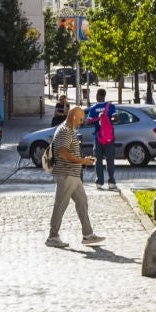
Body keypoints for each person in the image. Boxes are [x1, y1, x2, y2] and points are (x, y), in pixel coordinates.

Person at [46, 104, 103, 248]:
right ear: (73, 117)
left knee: (82, 201)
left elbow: (69, 152)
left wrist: (83, 159)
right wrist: (83, 161)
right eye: (80, 119)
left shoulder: (69, 130)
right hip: (66, 174)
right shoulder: (65, 131)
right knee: (60, 205)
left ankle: (88, 235)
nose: (81, 122)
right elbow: (63, 153)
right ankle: (52, 237)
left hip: (73, 175)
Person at [85, 87, 117, 187]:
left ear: (97, 96)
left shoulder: (94, 108)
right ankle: (111, 181)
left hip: (98, 137)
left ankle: (99, 182)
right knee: (110, 159)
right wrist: (108, 119)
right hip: (109, 138)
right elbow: (116, 118)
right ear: (104, 96)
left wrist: (98, 119)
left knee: (98, 160)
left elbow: (88, 121)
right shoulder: (111, 106)